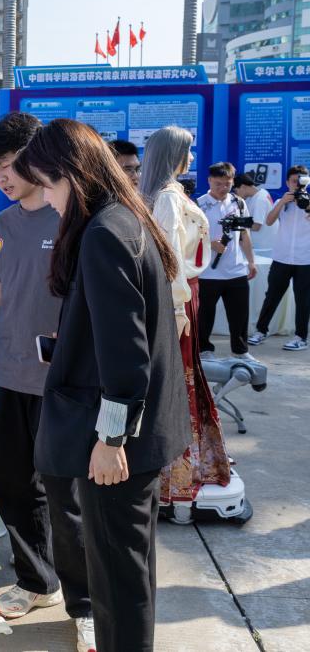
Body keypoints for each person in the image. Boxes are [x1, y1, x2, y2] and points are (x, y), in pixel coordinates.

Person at [14, 118, 189, 652]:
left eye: (49, 184)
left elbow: (127, 355)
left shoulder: (104, 232)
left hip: (118, 443)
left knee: (117, 580)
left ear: (73, 175)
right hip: (135, 431)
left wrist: (111, 440)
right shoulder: (122, 219)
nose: (47, 198)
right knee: (128, 568)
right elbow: (115, 331)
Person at [0, 112, 94, 651]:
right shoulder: (3, 224)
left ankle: (86, 604)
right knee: (14, 487)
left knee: (68, 497)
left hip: (62, 383)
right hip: (8, 375)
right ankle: (37, 581)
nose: (1, 177)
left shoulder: (74, 217)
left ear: (36, 157)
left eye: (7, 164)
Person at [138, 126, 231, 521]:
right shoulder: (167, 198)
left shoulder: (168, 194)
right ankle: (174, 472)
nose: (191, 158)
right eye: (187, 151)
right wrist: (177, 309)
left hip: (186, 295)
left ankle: (180, 466)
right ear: (173, 154)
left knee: (182, 379)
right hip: (179, 298)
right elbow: (169, 257)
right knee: (178, 382)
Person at [196, 162, 257, 360]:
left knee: (239, 315)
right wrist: (210, 243)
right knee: (204, 315)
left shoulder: (239, 203)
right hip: (208, 272)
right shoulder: (198, 205)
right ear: (209, 181)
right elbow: (188, 237)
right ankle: (204, 349)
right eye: (218, 184)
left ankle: (240, 351)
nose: (223, 188)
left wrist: (251, 261)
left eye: (227, 184)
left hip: (236, 270)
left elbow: (244, 234)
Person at [249, 165, 310, 351]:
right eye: (294, 181)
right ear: (287, 182)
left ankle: (301, 337)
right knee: (272, 296)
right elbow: (269, 221)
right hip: (282, 257)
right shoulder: (281, 202)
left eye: (301, 181)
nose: (297, 185)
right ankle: (261, 331)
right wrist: (283, 201)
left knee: (303, 299)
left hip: (305, 259)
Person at [233, 172, 277, 256]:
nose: (236, 195)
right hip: (262, 247)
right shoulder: (261, 192)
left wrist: (235, 223)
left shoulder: (260, 200)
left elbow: (256, 226)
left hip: (263, 249)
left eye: (236, 191)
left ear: (243, 187)